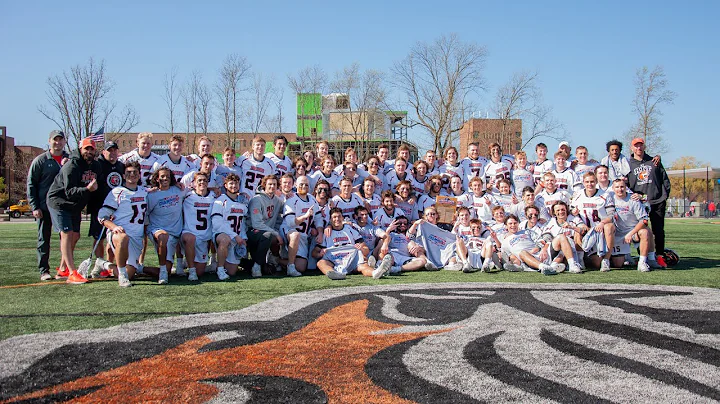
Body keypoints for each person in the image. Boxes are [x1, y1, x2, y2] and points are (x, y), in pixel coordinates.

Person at [46, 137, 102, 284]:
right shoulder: (72, 165)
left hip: (75, 205)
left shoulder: (95, 166)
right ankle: (72, 273)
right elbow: (69, 191)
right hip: (59, 202)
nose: (89, 151)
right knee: (66, 234)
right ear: (80, 149)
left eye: (91, 149)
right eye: (86, 148)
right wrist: (87, 189)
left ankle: (63, 268)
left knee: (75, 235)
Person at [98, 162, 149, 287]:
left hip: (136, 238)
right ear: (123, 176)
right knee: (123, 237)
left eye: (135, 172)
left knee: (131, 273)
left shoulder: (144, 192)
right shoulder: (117, 192)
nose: (132, 175)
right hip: (119, 234)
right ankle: (122, 276)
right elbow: (102, 216)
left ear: (139, 175)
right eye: (128, 173)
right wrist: (114, 227)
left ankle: (102, 263)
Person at [27, 130, 69, 281]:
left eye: (61, 140)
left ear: (65, 141)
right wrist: (34, 206)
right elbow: (31, 184)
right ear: (49, 141)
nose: (58, 143)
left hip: (63, 207)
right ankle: (44, 270)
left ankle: (64, 268)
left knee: (66, 238)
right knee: (44, 239)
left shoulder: (69, 159)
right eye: (55, 140)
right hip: (44, 207)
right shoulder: (41, 160)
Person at [627, 137, 671, 265]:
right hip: (639, 204)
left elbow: (665, 180)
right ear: (632, 148)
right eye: (636, 146)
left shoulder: (654, 161)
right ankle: (643, 255)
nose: (638, 148)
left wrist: (664, 197)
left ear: (644, 147)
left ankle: (660, 255)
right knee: (642, 230)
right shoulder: (628, 164)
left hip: (656, 201)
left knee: (658, 230)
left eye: (641, 145)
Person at [90, 140, 125, 278]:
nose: (112, 153)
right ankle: (99, 264)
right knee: (98, 237)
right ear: (104, 152)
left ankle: (108, 265)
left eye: (114, 150)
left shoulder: (121, 166)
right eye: (109, 150)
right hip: (99, 206)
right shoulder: (97, 165)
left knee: (113, 237)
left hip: (116, 208)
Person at [609, 179, 661, 271]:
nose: (620, 189)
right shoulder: (610, 199)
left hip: (633, 232)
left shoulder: (633, 199)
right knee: (617, 264)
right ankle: (626, 256)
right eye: (617, 187)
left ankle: (643, 262)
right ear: (613, 188)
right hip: (618, 233)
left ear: (626, 188)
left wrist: (631, 233)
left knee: (645, 231)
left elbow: (644, 220)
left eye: (622, 187)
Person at [312, 207, 375, 280]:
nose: (337, 219)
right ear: (330, 219)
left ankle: (375, 273)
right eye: (334, 217)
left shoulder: (350, 229)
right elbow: (314, 253)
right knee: (320, 263)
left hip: (351, 260)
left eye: (339, 216)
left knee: (364, 263)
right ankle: (334, 274)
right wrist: (319, 254)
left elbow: (366, 249)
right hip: (333, 261)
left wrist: (361, 249)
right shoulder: (327, 233)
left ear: (343, 218)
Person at [570, 172, 616, 271]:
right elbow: (573, 214)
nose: (589, 184)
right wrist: (579, 221)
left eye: (592, 182)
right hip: (586, 230)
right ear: (583, 182)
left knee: (609, 226)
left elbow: (611, 215)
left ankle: (606, 260)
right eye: (587, 182)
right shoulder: (578, 195)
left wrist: (602, 223)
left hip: (600, 230)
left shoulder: (604, 195)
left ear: (596, 182)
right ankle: (580, 260)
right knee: (578, 229)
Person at [146, 167, 185, 282]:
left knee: (169, 270)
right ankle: (162, 271)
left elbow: (196, 188)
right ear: (157, 178)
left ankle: (139, 268)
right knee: (163, 236)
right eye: (162, 176)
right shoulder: (152, 194)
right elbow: (145, 213)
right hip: (158, 229)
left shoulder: (178, 190)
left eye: (168, 176)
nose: (165, 178)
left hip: (174, 233)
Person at [211, 173, 248, 281]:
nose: (234, 186)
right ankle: (220, 269)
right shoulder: (220, 200)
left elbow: (243, 222)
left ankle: (220, 264)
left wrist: (243, 237)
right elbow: (217, 223)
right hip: (223, 234)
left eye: (236, 183)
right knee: (225, 239)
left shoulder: (242, 201)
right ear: (225, 185)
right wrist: (235, 236)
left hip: (237, 237)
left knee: (232, 272)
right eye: (231, 183)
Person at [247, 175, 285, 278]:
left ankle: (274, 260)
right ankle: (257, 265)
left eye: (274, 184)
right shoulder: (257, 200)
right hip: (253, 231)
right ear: (264, 185)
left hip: (267, 233)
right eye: (270, 184)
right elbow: (256, 224)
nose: (272, 186)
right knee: (269, 235)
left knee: (277, 234)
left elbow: (285, 212)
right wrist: (276, 233)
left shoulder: (277, 200)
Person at [181, 171, 216, 281]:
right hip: (189, 233)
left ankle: (191, 262)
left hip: (204, 237)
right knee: (190, 238)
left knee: (200, 272)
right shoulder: (187, 195)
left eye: (205, 180)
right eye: (199, 180)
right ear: (194, 183)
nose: (202, 182)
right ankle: (190, 269)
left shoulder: (213, 196)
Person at [281, 175, 318, 276]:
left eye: (306, 184)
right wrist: (305, 216)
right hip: (290, 231)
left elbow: (318, 217)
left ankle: (276, 261)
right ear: (296, 185)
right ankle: (291, 266)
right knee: (295, 235)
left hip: (304, 235)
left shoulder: (312, 199)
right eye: (301, 184)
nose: (304, 186)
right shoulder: (291, 199)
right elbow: (290, 223)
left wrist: (319, 230)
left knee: (301, 267)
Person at [237, 136, 277, 202]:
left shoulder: (270, 164)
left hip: (260, 198)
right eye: (257, 145)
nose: (260, 147)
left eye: (262, 145)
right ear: (253, 147)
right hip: (244, 196)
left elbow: (273, 180)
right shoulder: (244, 159)